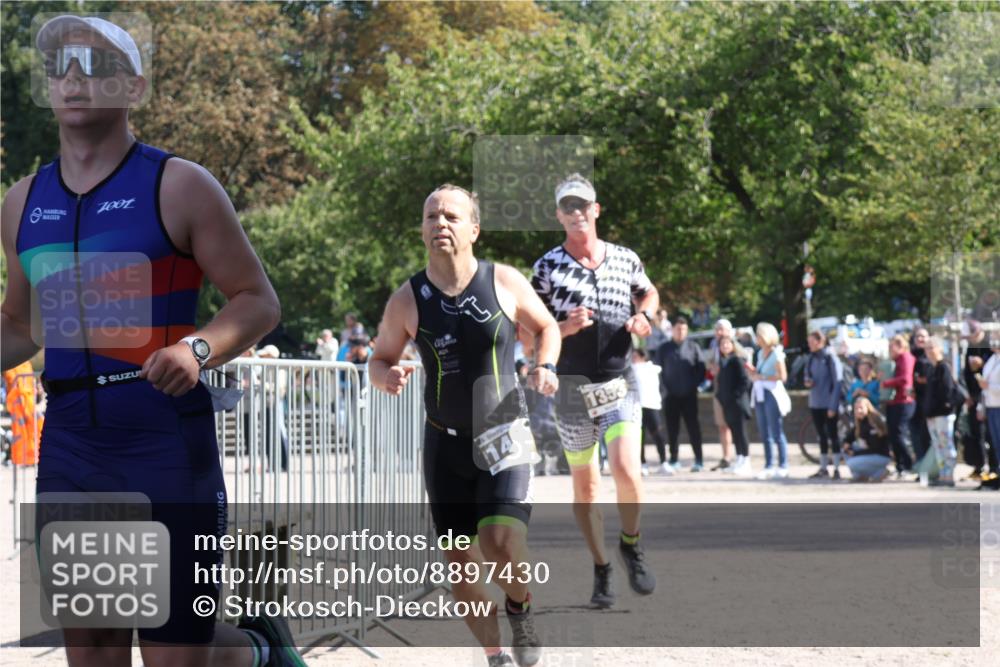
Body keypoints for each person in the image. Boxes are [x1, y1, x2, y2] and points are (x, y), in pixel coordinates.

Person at [0, 14, 297, 667]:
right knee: (93, 647)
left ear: (133, 87)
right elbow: (22, 325)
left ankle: (258, 650)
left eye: (93, 64)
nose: (72, 77)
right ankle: (258, 648)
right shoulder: (22, 202)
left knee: (173, 652)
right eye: (59, 65)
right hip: (72, 448)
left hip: (164, 443)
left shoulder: (179, 184)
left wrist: (197, 349)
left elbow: (258, 300)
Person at [370, 184, 560, 667]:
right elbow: (379, 357)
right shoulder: (407, 299)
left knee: (500, 544)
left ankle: (520, 606)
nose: (440, 223)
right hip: (444, 444)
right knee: (461, 568)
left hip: (503, 433)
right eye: (431, 216)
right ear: (422, 230)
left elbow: (546, 327)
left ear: (474, 229)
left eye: (452, 216)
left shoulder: (504, 281)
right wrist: (385, 376)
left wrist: (546, 365)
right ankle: (495, 655)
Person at [531, 173, 658, 609]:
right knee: (586, 489)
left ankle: (631, 544)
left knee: (626, 470)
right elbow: (528, 330)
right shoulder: (546, 268)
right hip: (571, 390)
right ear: (558, 215)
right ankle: (602, 566)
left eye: (582, 205)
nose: (576, 213)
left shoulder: (624, 258)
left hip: (618, 382)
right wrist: (563, 328)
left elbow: (649, 293)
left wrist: (645, 317)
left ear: (596, 209)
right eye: (567, 207)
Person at [653, 315, 705, 472]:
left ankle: (699, 459)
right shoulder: (664, 348)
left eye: (684, 329)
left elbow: (701, 369)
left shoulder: (693, 347)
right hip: (670, 396)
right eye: (678, 329)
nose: (681, 332)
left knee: (693, 428)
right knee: (672, 429)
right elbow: (657, 370)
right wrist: (663, 390)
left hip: (689, 396)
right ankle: (674, 459)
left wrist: (693, 385)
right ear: (672, 329)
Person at [749, 322, 790, 479]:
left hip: (772, 393)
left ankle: (783, 465)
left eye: (759, 335)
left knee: (776, 430)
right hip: (760, 392)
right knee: (764, 431)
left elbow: (782, 376)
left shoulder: (777, 353)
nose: (757, 338)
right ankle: (768, 465)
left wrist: (763, 377)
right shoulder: (760, 353)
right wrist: (754, 373)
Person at [919, 336, 958, 487]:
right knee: (938, 446)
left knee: (946, 444)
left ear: (940, 349)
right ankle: (943, 474)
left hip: (943, 413)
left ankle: (949, 475)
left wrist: (943, 407)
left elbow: (948, 391)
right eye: (927, 348)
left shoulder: (944, 367)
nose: (929, 351)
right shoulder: (931, 368)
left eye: (932, 347)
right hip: (932, 414)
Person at [804, 331, 844, 479]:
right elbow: (806, 375)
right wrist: (807, 381)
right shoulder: (811, 358)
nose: (809, 344)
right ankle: (823, 468)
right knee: (821, 436)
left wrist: (833, 406)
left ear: (820, 341)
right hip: (815, 402)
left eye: (811, 341)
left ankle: (837, 468)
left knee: (833, 435)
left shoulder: (830, 357)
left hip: (828, 403)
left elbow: (837, 383)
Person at [962, 320, 998, 482]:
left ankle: (993, 468)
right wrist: (970, 395)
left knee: (991, 436)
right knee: (978, 433)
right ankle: (981, 467)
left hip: (991, 398)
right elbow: (968, 373)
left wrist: (982, 365)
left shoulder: (990, 349)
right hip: (979, 398)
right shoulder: (970, 348)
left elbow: (989, 376)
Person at [715, 335, 752, 476]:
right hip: (728, 405)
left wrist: (735, 396)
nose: (724, 346)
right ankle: (739, 459)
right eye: (722, 344)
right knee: (735, 433)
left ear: (733, 345)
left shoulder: (737, 360)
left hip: (738, 404)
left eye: (727, 343)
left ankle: (746, 461)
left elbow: (745, 381)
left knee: (741, 433)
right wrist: (722, 398)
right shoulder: (723, 362)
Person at [882, 334, 917, 476]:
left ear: (901, 346)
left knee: (899, 433)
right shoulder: (895, 361)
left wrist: (886, 383)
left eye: (892, 346)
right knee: (893, 434)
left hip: (904, 401)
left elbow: (905, 379)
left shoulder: (906, 358)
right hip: (894, 401)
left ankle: (908, 464)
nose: (890, 349)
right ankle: (899, 465)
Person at [631, 349, 667, 475]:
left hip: (651, 406)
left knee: (658, 434)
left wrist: (659, 399)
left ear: (643, 357)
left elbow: (662, 388)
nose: (633, 359)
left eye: (636, 356)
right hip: (635, 407)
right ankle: (642, 463)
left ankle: (664, 462)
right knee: (639, 437)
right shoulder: (630, 370)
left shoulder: (653, 370)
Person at [707, 318, 736, 470]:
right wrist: (712, 368)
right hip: (719, 389)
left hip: (732, 391)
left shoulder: (735, 346)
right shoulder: (714, 345)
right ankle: (726, 457)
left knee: (733, 425)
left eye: (721, 329)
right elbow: (709, 363)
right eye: (717, 329)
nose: (718, 332)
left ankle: (739, 457)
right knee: (722, 425)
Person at [844, 397, 892, 482]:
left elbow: (875, 448)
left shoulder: (874, 423)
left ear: (867, 408)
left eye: (861, 408)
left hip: (880, 455)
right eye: (856, 408)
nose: (858, 411)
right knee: (847, 450)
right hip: (869, 453)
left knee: (851, 463)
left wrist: (855, 453)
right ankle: (861, 476)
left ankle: (880, 472)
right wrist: (847, 444)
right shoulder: (860, 422)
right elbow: (849, 438)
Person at [980, 335, 1000, 489]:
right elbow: (983, 384)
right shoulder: (992, 359)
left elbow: (988, 385)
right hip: (991, 405)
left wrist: (990, 387)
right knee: (996, 444)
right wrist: (980, 407)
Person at [910, 327, 933, 462]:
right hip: (913, 402)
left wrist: (923, 380)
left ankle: (929, 465)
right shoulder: (910, 355)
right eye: (918, 336)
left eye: (923, 336)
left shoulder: (932, 356)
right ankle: (921, 463)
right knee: (915, 434)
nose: (920, 339)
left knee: (927, 435)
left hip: (928, 401)